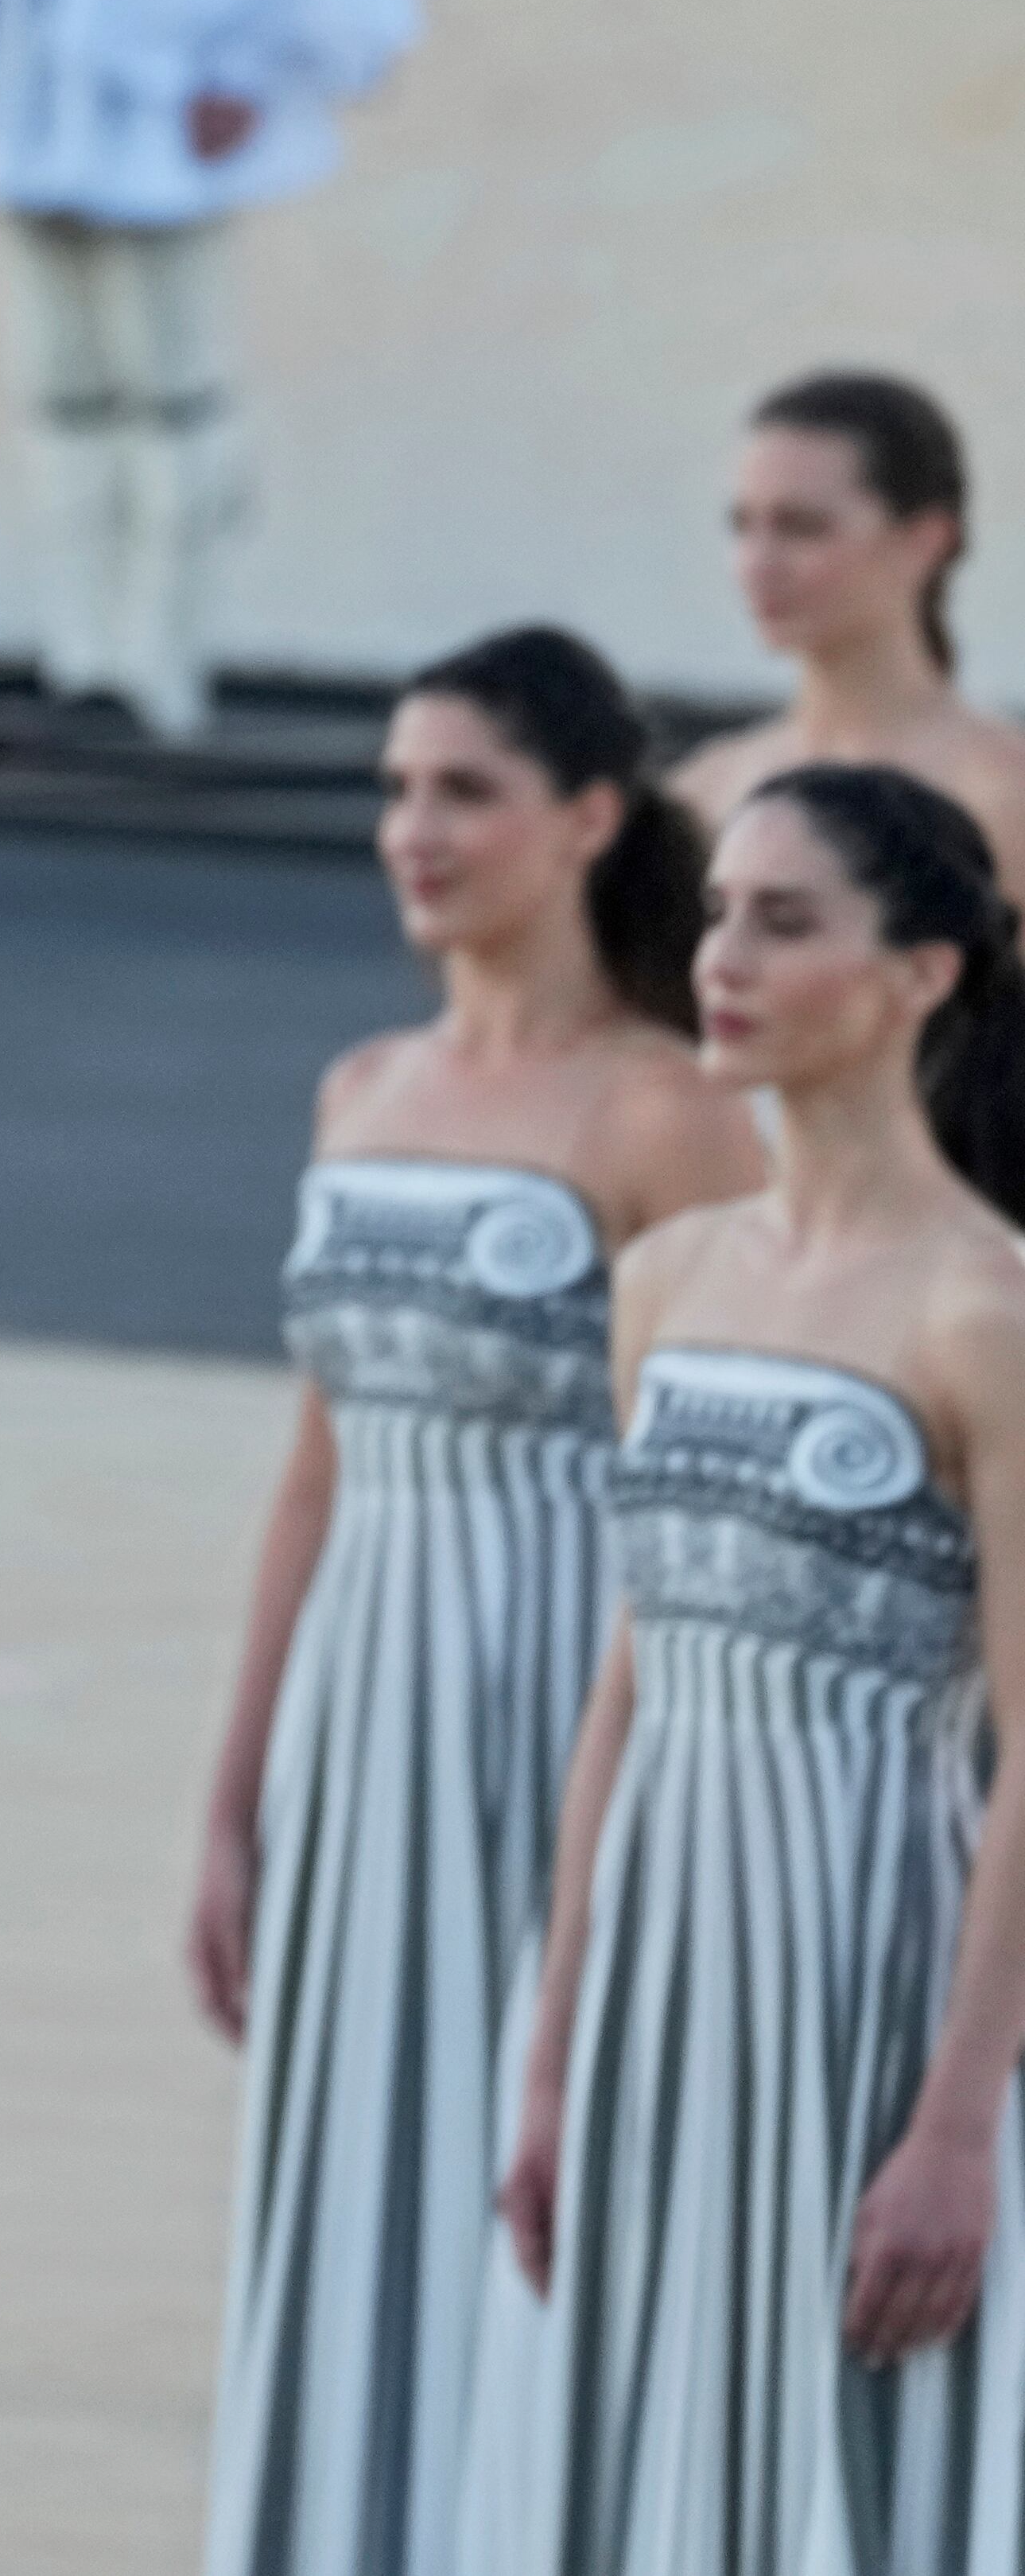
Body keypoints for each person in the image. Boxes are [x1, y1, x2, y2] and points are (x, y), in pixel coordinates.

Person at [186, 626, 767, 2576]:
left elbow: (701, 1475)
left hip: (558, 1704)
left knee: (529, 2167)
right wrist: (236, 1785)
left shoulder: (666, 1111)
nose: (411, 831)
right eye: (396, 789)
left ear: (588, 820)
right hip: (366, 1715)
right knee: (349, 2164)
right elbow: (314, 1463)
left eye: (463, 792)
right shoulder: (360, 1085)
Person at [479, 765, 1025, 2574]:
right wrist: (552, 2051)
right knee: (647, 2463)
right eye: (721, 911)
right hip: (659, 1958)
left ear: (924, 974)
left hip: (878, 1957)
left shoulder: (984, 1309)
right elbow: (623, 1690)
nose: (725, 957)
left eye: (787, 923)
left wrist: (958, 2124)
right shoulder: (671, 1277)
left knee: (858, 2480)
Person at [0, 0, 420, 739]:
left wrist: (249, 66)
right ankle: (83, 659)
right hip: (19, 85)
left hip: (163, 92)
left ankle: (158, 674)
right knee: (60, 391)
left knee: (174, 396)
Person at [671, 372, 1025, 879]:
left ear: (926, 540)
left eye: (802, 527)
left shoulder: (1007, 796)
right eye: (743, 526)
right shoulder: (703, 794)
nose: (758, 563)